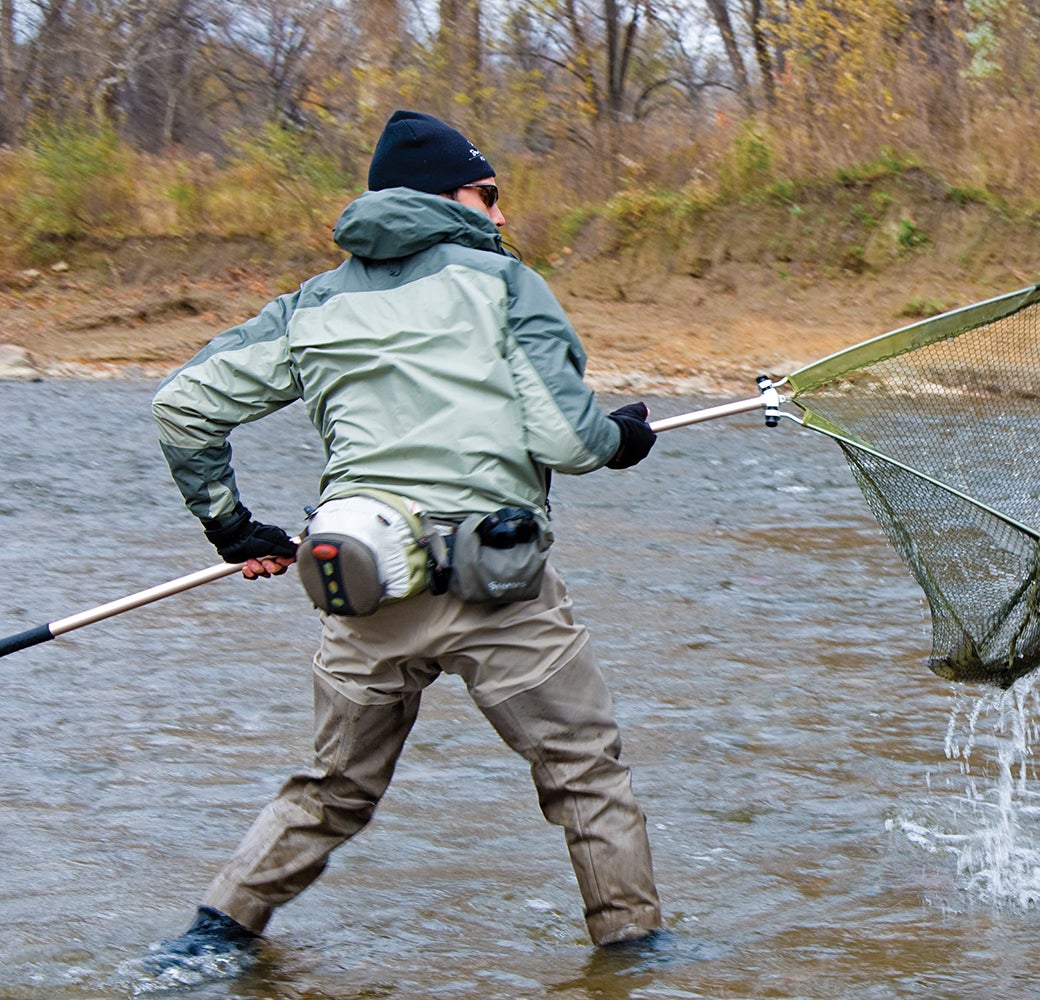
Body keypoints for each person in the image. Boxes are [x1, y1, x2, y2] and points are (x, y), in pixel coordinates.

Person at [144, 109, 662, 972]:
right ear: (446, 196)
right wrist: (622, 440)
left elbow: (182, 407)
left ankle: (211, 939)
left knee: (332, 787)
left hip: (362, 586)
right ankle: (633, 959)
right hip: (501, 591)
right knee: (583, 772)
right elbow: (571, 444)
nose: (500, 214)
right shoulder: (507, 285)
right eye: (487, 194)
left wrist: (235, 530)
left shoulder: (310, 303)